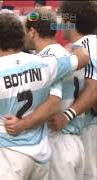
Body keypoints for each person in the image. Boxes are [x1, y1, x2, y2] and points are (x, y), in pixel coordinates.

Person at [0, 13, 88, 180]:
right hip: (41, 156)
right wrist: (74, 47)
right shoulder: (45, 64)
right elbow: (83, 57)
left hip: (9, 156)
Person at [25, 8, 85, 180]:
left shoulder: (46, 60)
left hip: (56, 140)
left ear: (32, 31)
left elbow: (50, 103)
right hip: (75, 139)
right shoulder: (69, 55)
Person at [58, 2, 97, 180]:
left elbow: (94, 88)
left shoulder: (86, 45)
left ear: (68, 21)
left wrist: (67, 115)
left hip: (89, 129)